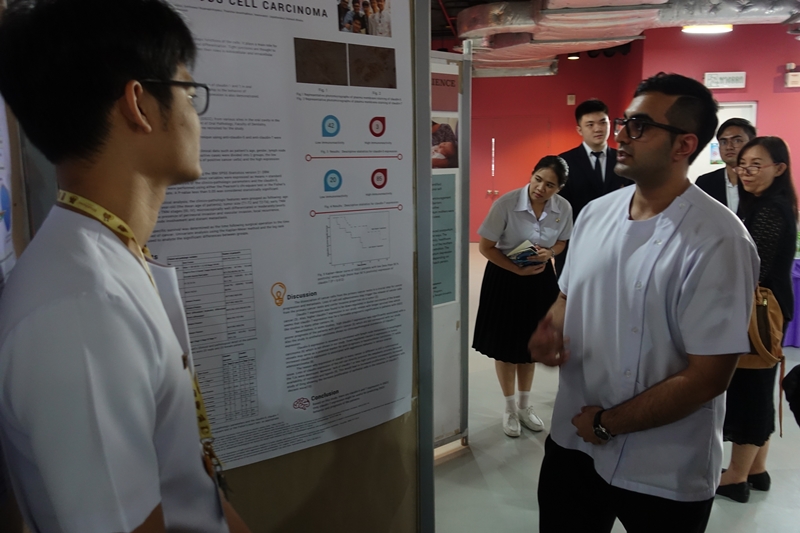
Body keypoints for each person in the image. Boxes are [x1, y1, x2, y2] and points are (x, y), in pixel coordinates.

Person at [0, 1, 250, 532]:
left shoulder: (105, 260)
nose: (195, 117)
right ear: (139, 104)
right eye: (188, 93)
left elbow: (183, 479)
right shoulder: (81, 310)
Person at [529, 73, 759, 533]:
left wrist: (607, 423)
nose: (621, 136)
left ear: (683, 145)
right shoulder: (595, 214)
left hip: (664, 465)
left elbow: (709, 375)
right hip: (574, 441)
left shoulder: (719, 239)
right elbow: (567, 295)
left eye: (639, 126)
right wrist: (549, 328)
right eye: (623, 123)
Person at [717, 136, 797, 503]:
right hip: (768, 308)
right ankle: (756, 469)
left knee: (749, 390)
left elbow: (755, 269)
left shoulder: (771, 209)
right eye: (742, 164)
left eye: (756, 165)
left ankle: (735, 478)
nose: (746, 172)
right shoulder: (768, 204)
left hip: (760, 312)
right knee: (760, 389)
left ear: (779, 168)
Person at [473, 156, 572, 437]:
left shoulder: (563, 208)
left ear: (559, 188)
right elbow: (485, 247)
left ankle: (525, 406)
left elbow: (562, 241)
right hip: (505, 277)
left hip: (540, 279)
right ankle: (509, 408)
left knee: (530, 345)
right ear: (532, 174)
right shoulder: (505, 204)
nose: (541, 188)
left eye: (550, 185)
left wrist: (550, 252)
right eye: (538, 179)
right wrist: (515, 269)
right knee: (506, 345)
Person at [556, 99, 632, 276]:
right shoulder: (563, 162)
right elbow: (558, 208)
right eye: (590, 124)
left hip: (617, 243)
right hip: (576, 243)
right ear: (579, 130)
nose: (598, 129)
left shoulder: (626, 160)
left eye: (603, 122)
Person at [695, 118, 757, 213]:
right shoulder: (704, 183)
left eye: (737, 140)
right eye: (723, 142)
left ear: (752, 144)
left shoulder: (761, 183)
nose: (729, 147)